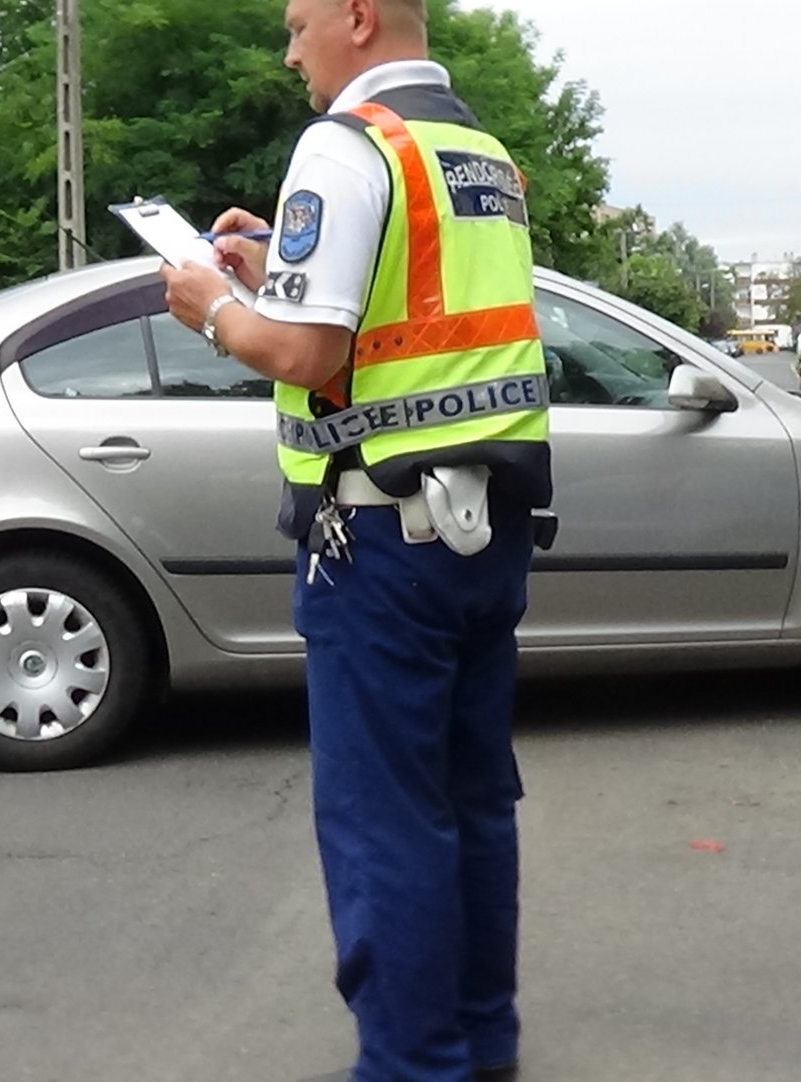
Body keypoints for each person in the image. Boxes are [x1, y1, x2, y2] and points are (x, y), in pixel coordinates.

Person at [159, 1, 552, 1078]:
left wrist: (210, 304)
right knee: (473, 799)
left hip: (379, 539)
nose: (291, 53)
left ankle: (412, 1062)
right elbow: (402, 320)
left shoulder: (344, 147)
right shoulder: (479, 155)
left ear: (360, 18)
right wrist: (274, 266)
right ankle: (481, 1039)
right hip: (487, 527)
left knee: (385, 821)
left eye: (300, 25)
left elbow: (305, 352)